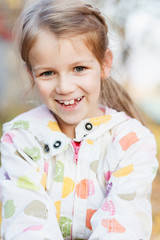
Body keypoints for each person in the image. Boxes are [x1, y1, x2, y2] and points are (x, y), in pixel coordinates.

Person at [0, 0, 158, 239]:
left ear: (104, 64)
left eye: (79, 68)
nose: (64, 87)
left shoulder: (132, 141)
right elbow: (26, 221)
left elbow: (124, 225)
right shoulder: (20, 138)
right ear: (31, 73)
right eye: (48, 73)